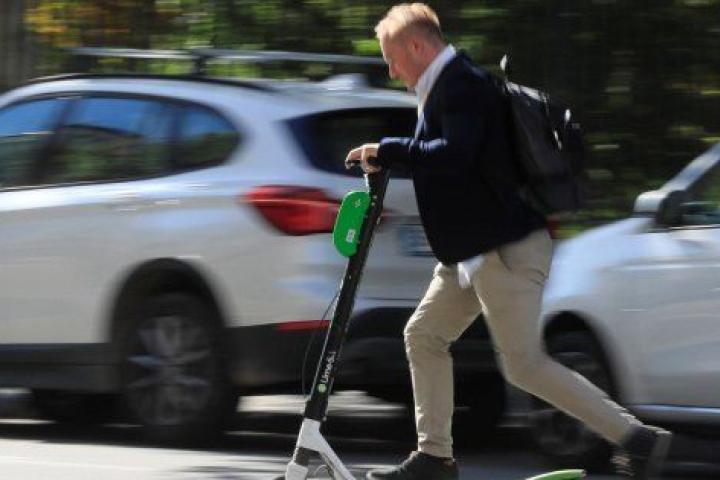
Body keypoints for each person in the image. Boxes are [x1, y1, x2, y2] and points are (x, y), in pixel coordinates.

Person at [345, 3, 672, 480]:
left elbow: (453, 155)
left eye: (392, 59)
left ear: (416, 46)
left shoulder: (462, 85)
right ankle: (434, 457)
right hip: (473, 253)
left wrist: (388, 149)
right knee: (423, 335)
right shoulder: (446, 86)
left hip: (504, 252)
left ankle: (636, 439)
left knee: (523, 365)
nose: (392, 71)